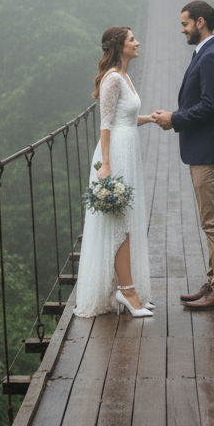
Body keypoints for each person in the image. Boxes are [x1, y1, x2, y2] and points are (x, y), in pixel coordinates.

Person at [152, 1, 214, 309]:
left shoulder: (212, 56)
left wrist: (175, 119)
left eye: (185, 24)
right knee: (209, 219)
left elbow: (211, 106)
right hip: (204, 149)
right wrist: (175, 116)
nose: (182, 30)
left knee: (213, 222)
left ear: (200, 22)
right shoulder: (205, 53)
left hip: (210, 150)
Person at [74, 26, 155, 319]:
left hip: (126, 149)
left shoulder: (124, 76)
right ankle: (127, 292)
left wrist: (150, 118)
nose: (137, 42)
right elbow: (106, 124)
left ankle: (124, 288)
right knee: (119, 220)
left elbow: (126, 118)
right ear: (120, 46)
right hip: (115, 154)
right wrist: (106, 164)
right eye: (132, 39)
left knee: (126, 220)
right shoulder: (112, 79)